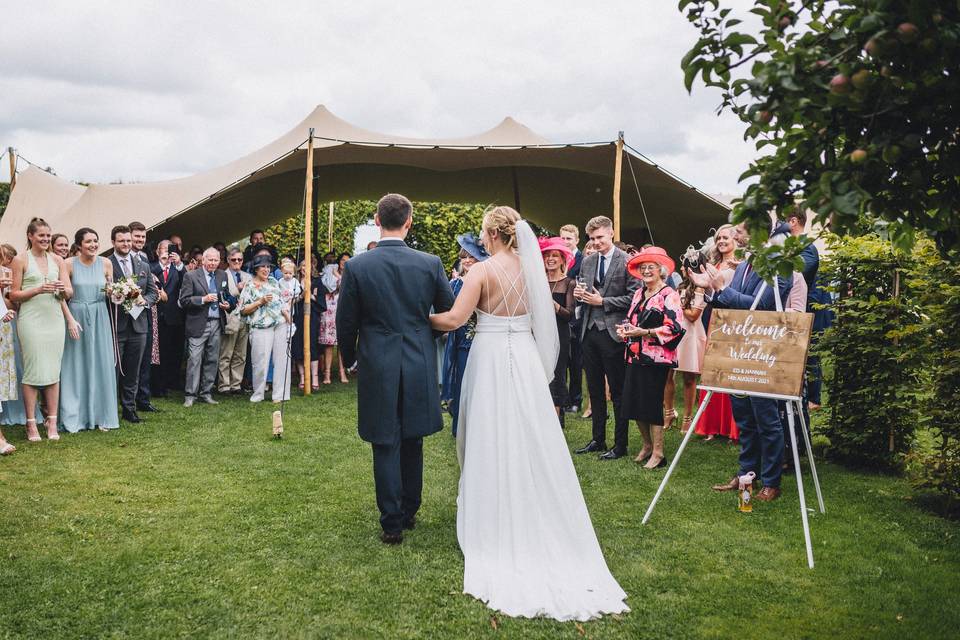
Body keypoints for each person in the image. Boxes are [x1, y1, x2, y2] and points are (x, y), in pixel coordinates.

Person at [429, 205, 628, 620]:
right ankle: (531, 501)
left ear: (493, 234)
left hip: (488, 356)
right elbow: (543, 322)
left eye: (484, 233)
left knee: (487, 432)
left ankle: (492, 516)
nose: (481, 240)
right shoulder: (531, 269)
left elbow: (453, 319)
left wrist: (419, 317)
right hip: (523, 355)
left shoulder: (480, 272)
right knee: (528, 431)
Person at [336, 193, 455, 545]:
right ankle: (408, 510)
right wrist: (419, 329)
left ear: (376, 220)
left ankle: (392, 522)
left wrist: (350, 358)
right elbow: (448, 312)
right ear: (409, 222)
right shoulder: (430, 263)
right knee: (412, 438)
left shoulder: (358, 266)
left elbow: (346, 323)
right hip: (418, 360)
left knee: (384, 439)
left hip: (377, 362)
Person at [690, 238, 792, 502]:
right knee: (745, 419)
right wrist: (712, 291)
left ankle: (771, 482)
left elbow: (764, 306)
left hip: (764, 353)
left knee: (767, 421)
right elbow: (730, 304)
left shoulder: (779, 267)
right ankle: (746, 473)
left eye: (747, 233)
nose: (740, 239)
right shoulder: (744, 266)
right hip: (739, 351)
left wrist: (723, 288)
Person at [573, 216, 639, 460]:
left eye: (600, 237)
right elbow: (583, 291)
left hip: (614, 333)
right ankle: (597, 439)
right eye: (592, 238)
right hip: (589, 331)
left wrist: (604, 302)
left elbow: (634, 297)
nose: (596, 242)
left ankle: (620, 445)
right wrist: (580, 294)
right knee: (594, 388)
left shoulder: (628, 262)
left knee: (618, 391)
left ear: (611, 233)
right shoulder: (588, 261)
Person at [618, 247, 684, 468]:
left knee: (652, 404)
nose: (646, 271)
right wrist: (625, 330)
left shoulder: (669, 295)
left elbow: (675, 327)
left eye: (651, 267)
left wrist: (644, 333)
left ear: (660, 271)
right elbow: (631, 319)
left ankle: (658, 452)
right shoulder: (639, 293)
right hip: (634, 355)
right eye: (643, 268)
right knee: (634, 402)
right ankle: (646, 445)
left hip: (656, 359)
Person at [9, 217, 71, 440]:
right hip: (31, 319)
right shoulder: (20, 259)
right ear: (30, 236)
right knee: (33, 371)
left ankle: (52, 423)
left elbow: (69, 292)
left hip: (54, 319)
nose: (46, 239)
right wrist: (38, 289)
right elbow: (13, 294)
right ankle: (31, 423)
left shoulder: (57, 260)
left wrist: (62, 290)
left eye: (48, 235)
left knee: (53, 370)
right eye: (41, 236)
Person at [59, 228, 119, 432]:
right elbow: (62, 296)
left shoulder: (106, 263)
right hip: (76, 315)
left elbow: (111, 291)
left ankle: (102, 414)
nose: (93, 245)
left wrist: (119, 294)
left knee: (101, 363)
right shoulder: (68, 264)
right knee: (75, 365)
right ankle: (75, 415)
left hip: (100, 314)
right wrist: (70, 321)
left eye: (95, 241)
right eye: (88, 242)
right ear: (79, 245)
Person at [694, 224, 741, 441]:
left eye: (726, 237)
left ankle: (733, 427)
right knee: (713, 371)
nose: (721, 241)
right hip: (714, 317)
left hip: (733, 321)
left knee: (731, 371)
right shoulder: (713, 264)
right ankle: (712, 425)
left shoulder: (740, 265)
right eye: (719, 238)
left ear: (736, 240)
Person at [108, 225, 158, 423]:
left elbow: (153, 292)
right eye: (122, 241)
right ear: (113, 242)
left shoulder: (143, 264)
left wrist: (144, 301)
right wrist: (114, 295)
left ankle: (130, 409)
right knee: (113, 369)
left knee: (133, 369)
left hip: (139, 325)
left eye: (128, 240)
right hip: (116, 324)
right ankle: (110, 409)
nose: (126, 244)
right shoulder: (107, 264)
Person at [440, 233, 488, 436]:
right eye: (463, 257)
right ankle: (460, 426)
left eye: (471, 256)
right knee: (461, 382)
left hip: (480, 339)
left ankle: (480, 428)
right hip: (460, 340)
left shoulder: (487, 280)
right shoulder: (456, 284)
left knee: (480, 385)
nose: (467, 260)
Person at [179, 248, 234, 407]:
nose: (213, 263)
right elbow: (184, 300)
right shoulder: (191, 276)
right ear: (203, 260)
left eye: (216, 260)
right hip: (198, 323)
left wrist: (227, 304)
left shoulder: (222, 275)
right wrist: (203, 299)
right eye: (210, 260)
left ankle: (206, 393)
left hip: (217, 322)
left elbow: (227, 296)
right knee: (195, 360)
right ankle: (190, 395)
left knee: (212, 359)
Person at [239, 255, 293, 403]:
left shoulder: (274, 282)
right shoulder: (249, 285)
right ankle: (258, 394)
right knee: (260, 362)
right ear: (256, 269)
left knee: (282, 360)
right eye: (263, 266)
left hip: (280, 325)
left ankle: (280, 395)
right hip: (261, 327)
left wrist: (289, 321)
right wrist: (261, 301)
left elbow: (282, 303)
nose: (266, 269)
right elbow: (243, 310)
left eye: (268, 267)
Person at [540, 237, 575, 427]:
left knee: (557, 375)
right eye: (547, 255)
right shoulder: (538, 282)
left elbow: (569, 315)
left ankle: (556, 421)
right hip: (538, 334)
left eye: (555, 256)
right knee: (540, 374)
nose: (551, 259)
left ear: (563, 260)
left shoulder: (568, 283)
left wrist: (553, 305)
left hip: (560, 334)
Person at [128, 221, 160, 414]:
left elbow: (152, 291)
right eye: (136, 236)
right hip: (124, 317)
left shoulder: (145, 259)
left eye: (142, 237)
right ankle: (128, 401)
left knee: (145, 359)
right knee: (129, 362)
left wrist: (145, 301)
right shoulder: (117, 261)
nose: (140, 240)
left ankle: (143, 399)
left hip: (143, 315)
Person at [674, 267, 707, 433]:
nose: (681, 268)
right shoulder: (680, 286)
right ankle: (668, 413)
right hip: (677, 332)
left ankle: (688, 417)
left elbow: (694, 315)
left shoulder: (701, 288)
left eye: (684, 265)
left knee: (689, 378)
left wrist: (678, 305)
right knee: (667, 375)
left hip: (692, 335)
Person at [152, 241, 184, 396]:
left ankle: (167, 385)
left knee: (169, 352)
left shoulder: (177, 269)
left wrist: (178, 264)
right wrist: (162, 263)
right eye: (163, 249)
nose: (166, 252)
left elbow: (185, 281)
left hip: (172, 316)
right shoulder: (153, 267)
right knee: (155, 352)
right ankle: (155, 386)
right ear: (157, 251)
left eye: (169, 250)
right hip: (155, 314)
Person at [218, 248, 252, 394]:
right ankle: (224, 385)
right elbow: (222, 296)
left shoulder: (248, 276)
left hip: (245, 319)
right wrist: (238, 290)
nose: (237, 262)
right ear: (228, 260)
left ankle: (236, 384)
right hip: (230, 319)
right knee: (226, 353)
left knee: (241, 354)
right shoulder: (222, 275)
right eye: (234, 259)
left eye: (240, 259)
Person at [559, 224, 584, 414]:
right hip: (560, 316)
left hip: (577, 317)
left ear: (576, 240)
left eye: (569, 238)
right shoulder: (557, 258)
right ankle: (563, 398)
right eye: (563, 238)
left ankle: (576, 400)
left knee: (575, 361)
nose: (566, 242)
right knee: (561, 360)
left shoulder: (583, 260)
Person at [291, 258, 326, 391]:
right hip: (297, 317)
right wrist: (301, 296)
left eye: (309, 266)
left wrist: (310, 295)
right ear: (300, 268)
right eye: (304, 266)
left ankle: (315, 378)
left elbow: (322, 303)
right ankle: (302, 377)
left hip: (312, 317)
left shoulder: (317, 282)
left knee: (312, 345)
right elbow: (289, 299)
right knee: (298, 344)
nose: (306, 268)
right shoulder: (294, 282)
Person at [319, 255, 348, 384]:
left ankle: (343, 373)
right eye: (342, 260)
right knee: (329, 343)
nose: (344, 262)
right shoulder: (329, 271)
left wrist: (338, 275)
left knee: (342, 343)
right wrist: (335, 274)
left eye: (347, 260)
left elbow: (345, 288)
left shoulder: (351, 274)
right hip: (330, 309)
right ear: (338, 262)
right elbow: (328, 286)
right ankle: (327, 374)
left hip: (343, 309)